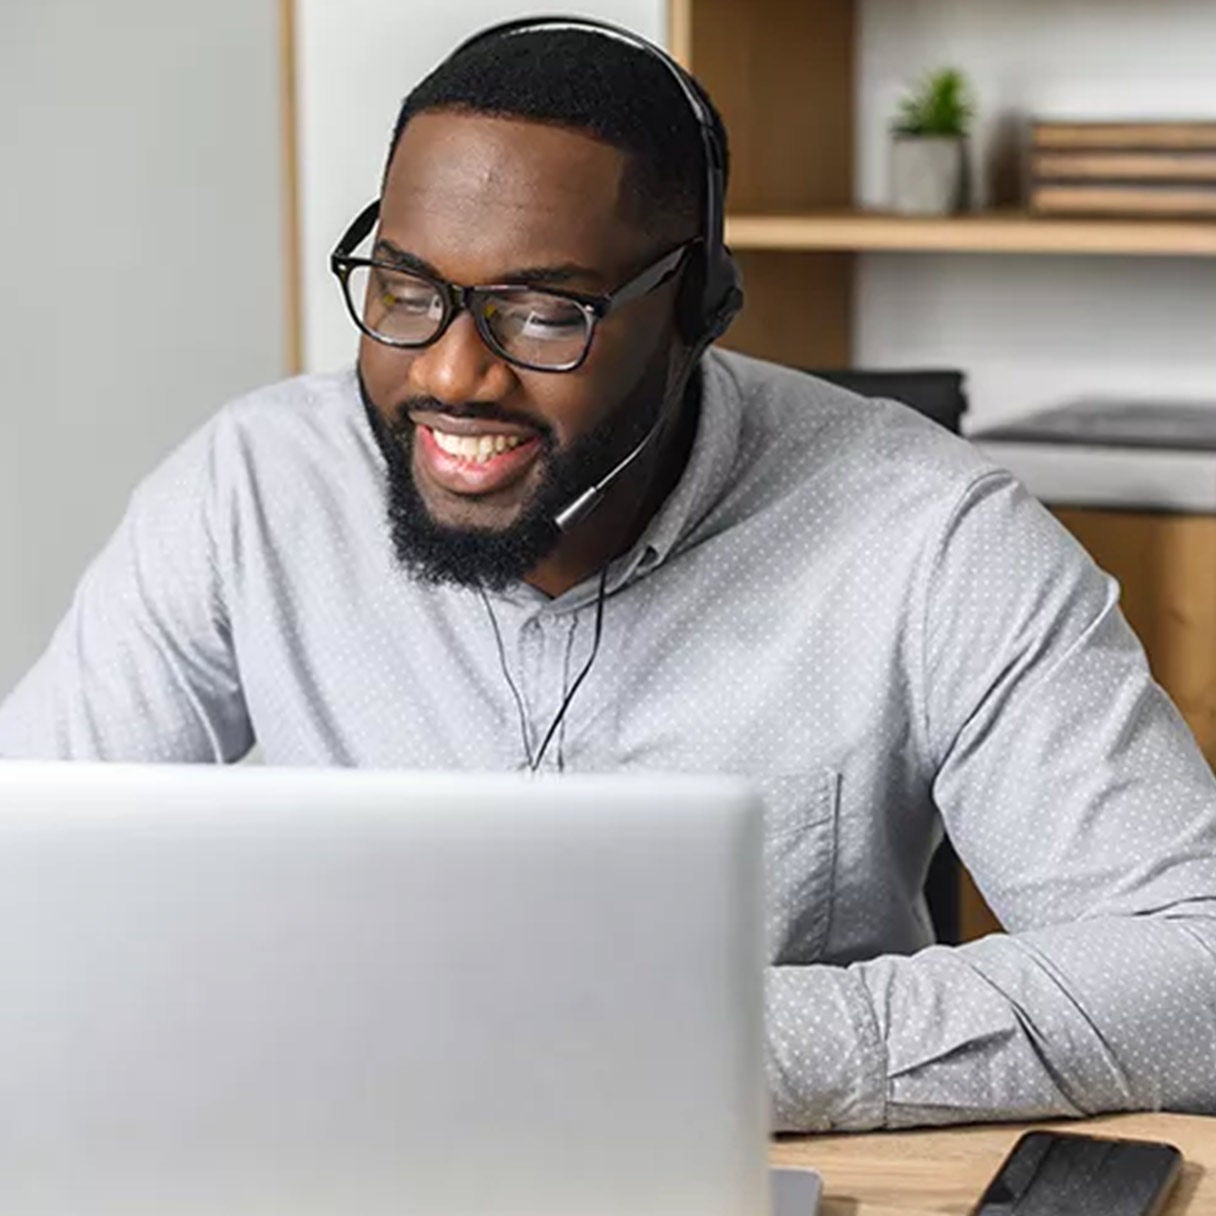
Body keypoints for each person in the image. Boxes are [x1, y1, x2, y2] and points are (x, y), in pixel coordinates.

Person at [1, 18, 1213, 1131]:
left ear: (697, 306)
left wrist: (707, 1045)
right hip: (341, 1145)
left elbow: (1194, 970)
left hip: (745, 1164)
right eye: (407, 291)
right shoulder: (251, 489)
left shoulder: (932, 534)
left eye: (542, 312)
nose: (454, 376)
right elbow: (29, 868)